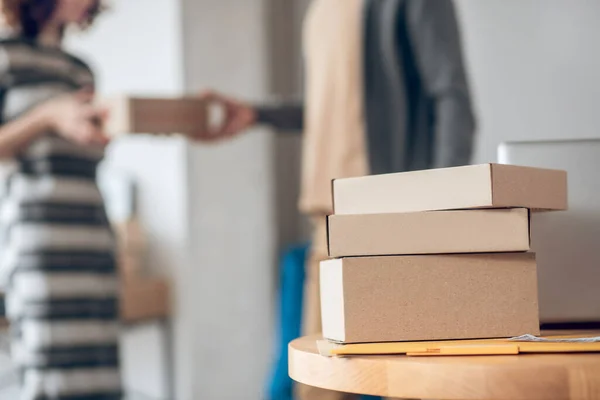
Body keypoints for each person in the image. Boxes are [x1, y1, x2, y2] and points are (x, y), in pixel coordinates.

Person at [201, 1, 476, 399]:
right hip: (327, 226)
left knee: (404, 384)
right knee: (318, 387)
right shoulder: (322, 9)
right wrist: (258, 114)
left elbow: (452, 98)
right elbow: (335, 105)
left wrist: (442, 212)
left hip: (393, 227)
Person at [0, 1, 121, 399]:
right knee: (48, 366)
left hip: (90, 229)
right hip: (39, 235)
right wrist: (46, 116)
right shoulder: (6, 55)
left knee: (98, 364)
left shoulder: (79, 69)